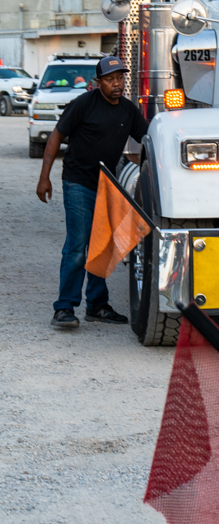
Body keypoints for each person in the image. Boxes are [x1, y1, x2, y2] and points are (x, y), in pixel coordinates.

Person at [36, 56, 150, 329]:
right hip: (78, 182)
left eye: (120, 78)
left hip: (107, 185)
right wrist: (44, 178)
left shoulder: (128, 110)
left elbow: (147, 139)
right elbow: (56, 137)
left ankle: (97, 305)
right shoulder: (83, 105)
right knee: (77, 245)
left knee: (103, 244)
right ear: (97, 83)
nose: (117, 84)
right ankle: (64, 308)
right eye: (110, 79)